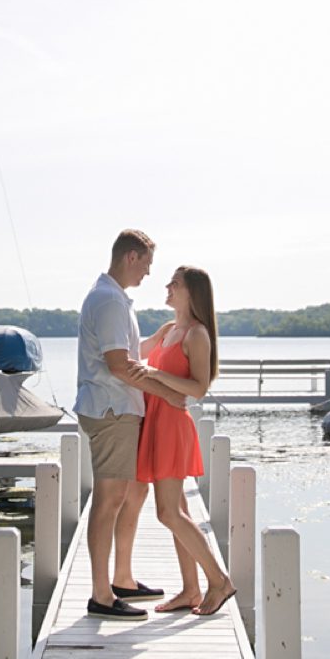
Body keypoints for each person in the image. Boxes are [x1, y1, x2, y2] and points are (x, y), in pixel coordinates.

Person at [76, 229, 188, 619]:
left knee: (126, 495)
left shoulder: (113, 298)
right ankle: (101, 595)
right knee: (108, 500)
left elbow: (121, 355)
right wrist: (167, 391)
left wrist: (154, 340)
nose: (149, 273)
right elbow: (117, 366)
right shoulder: (108, 301)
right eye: (147, 264)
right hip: (111, 410)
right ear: (130, 257)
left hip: (117, 407)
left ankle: (121, 579)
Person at [134, 264, 236, 616]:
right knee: (180, 510)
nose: (167, 286)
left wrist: (155, 374)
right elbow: (134, 353)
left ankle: (218, 581)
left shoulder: (197, 334)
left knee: (167, 512)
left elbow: (199, 388)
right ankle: (191, 589)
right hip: (155, 422)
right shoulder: (168, 329)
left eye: (174, 283)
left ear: (191, 292)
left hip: (173, 428)